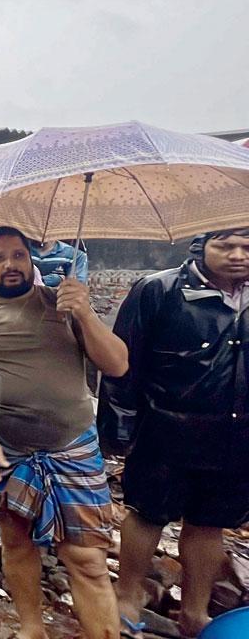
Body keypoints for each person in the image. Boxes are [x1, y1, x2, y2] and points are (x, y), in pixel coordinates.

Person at [0, 226, 128, 639]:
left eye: (18, 256)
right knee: (16, 542)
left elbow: (116, 364)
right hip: (5, 449)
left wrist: (84, 312)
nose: (9, 265)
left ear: (31, 262)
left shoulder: (63, 303)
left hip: (72, 447)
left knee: (87, 559)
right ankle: (31, 628)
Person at [104, 228, 249, 638]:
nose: (238, 255)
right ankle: (128, 593)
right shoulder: (159, 290)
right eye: (226, 245)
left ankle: (194, 611)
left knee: (210, 524)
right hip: (165, 430)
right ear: (202, 247)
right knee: (147, 513)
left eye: (247, 246)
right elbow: (122, 363)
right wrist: (117, 431)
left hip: (236, 437)